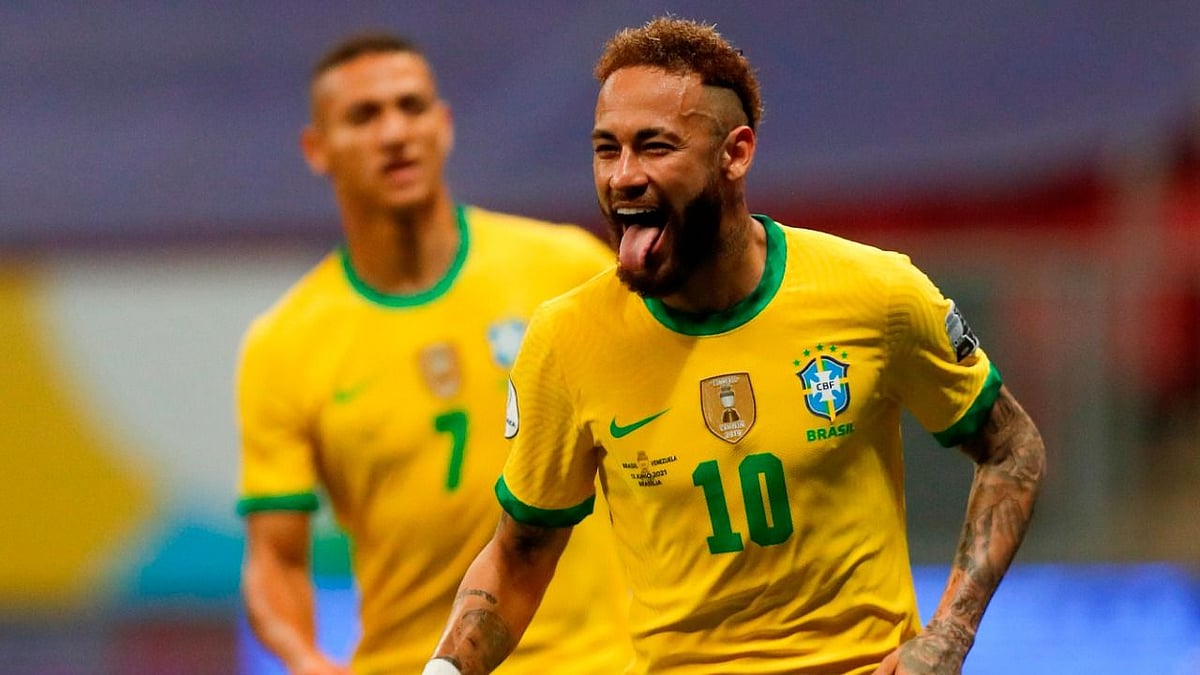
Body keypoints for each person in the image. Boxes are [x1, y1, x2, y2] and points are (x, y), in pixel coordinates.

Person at [426, 16, 1046, 675]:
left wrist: (949, 634)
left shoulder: (877, 293)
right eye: (607, 150)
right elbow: (520, 552)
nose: (622, 176)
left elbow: (1013, 448)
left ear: (735, 152)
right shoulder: (567, 338)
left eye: (655, 147)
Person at [234, 32, 631, 675]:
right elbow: (275, 558)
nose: (395, 133)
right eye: (364, 117)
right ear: (317, 150)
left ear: (443, 126)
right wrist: (306, 660)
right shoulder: (284, 343)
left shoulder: (566, 268)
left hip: (595, 660)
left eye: (411, 108)